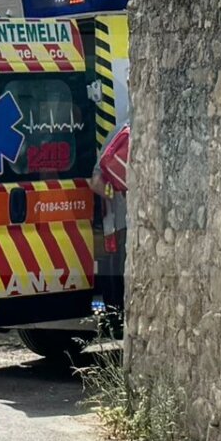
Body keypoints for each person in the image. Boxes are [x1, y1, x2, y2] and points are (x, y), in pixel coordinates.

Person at [90, 122, 131, 337]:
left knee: (112, 273)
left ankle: (115, 322)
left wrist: (112, 192)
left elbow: (95, 181)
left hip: (114, 223)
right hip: (127, 223)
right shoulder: (130, 130)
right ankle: (121, 322)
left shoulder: (119, 131)